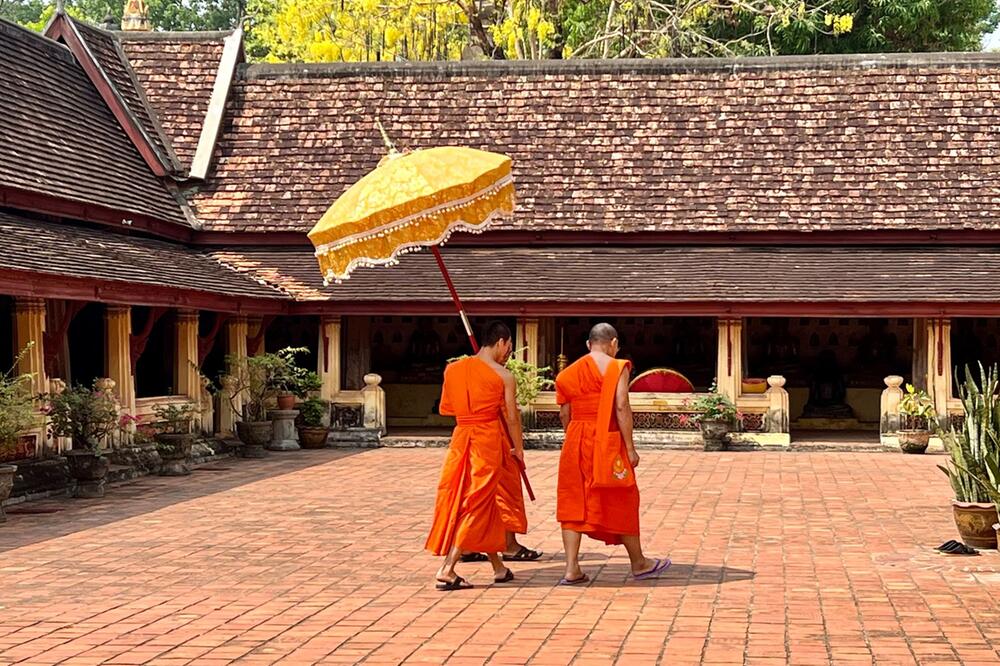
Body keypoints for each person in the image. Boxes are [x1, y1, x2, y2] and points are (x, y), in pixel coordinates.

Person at [555, 322, 671, 585]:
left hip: (575, 440)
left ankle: (571, 568)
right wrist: (630, 448)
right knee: (623, 495)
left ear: (588, 344)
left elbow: (565, 414)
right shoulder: (617, 367)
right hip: (606, 439)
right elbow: (621, 406)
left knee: (574, 500)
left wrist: (574, 438)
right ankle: (639, 562)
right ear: (614, 344)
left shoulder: (567, 374)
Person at [425, 320, 526, 590]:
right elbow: (512, 419)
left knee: (484, 501)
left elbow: (447, 408)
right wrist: (518, 449)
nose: (508, 354)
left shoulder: (453, 369)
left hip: (461, 439)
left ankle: (499, 567)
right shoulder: (504, 376)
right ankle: (447, 568)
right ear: (502, 341)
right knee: (477, 502)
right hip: (487, 441)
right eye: (509, 348)